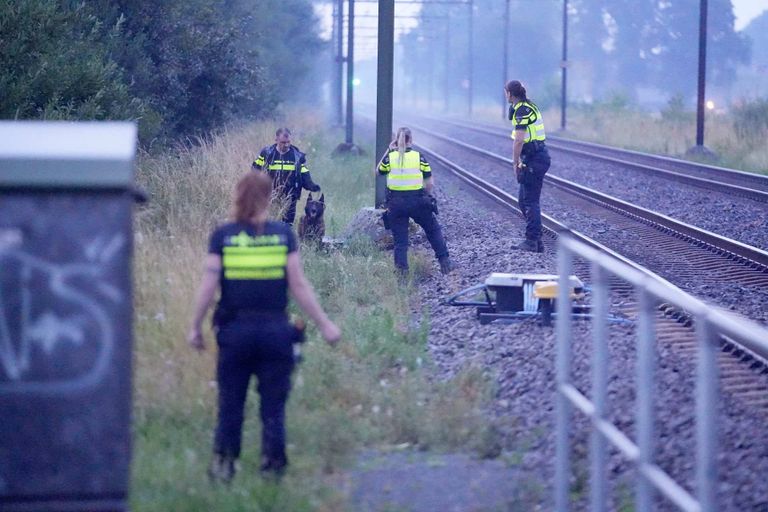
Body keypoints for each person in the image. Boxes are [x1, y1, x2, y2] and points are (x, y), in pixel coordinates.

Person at [186, 172, 341, 483]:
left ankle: (225, 465)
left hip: (235, 334)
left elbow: (208, 285)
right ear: (269, 198)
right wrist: (325, 325)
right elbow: (298, 285)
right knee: (273, 405)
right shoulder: (283, 235)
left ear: (237, 196)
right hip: (276, 334)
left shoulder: (224, 236)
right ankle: (273, 467)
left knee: (231, 402)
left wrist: (195, 327)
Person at [378, 127, 453, 277]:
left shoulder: (390, 158)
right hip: (418, 201)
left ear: (396, 140)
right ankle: (445, 262)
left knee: (400, 241)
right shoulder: (419, 157)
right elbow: (430, 182)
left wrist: (389, 150)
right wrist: (425, 194)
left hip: (396, 203)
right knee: (432, 229)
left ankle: (402, 274)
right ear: (411, 140)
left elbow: (378, 171)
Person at [505, 80, 551, 253]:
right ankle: (536, 240)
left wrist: (515, 162)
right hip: (534, 157)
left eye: (506, 93)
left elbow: (519, 140)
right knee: (524, 201)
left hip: (535, 158)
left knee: (530, 201)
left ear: (510, 94)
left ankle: (532, 241)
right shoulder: (525, 106)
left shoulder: (523, 110)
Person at [252, 127, 321, 225]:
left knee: (288, 224)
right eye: (283, 142)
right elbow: (255, 170)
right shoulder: (267, 154)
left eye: (288, 142)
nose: (287, 145)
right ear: (276, 140)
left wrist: (311, 185)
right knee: (271, 222)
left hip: (291, 195)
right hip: (271, 194)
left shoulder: (297, 156)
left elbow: (304, 173)